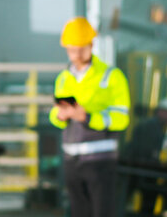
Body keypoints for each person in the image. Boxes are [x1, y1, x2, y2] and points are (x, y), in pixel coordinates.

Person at [49, 16, 130, 217]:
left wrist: (87, 117)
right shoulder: (63, 77)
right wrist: (60, 115)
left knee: (102, 212)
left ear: (91, 45)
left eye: (79, 49)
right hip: (71, 160)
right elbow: (54, 115)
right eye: (71, 49)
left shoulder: (112, 76)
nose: (75, 54)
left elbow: (122, 118)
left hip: (100, 161)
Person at [123, 98, 167, 215]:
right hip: (139, 170)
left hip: (152, 172)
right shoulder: (148, 127)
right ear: (159, 111)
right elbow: (143, 149)